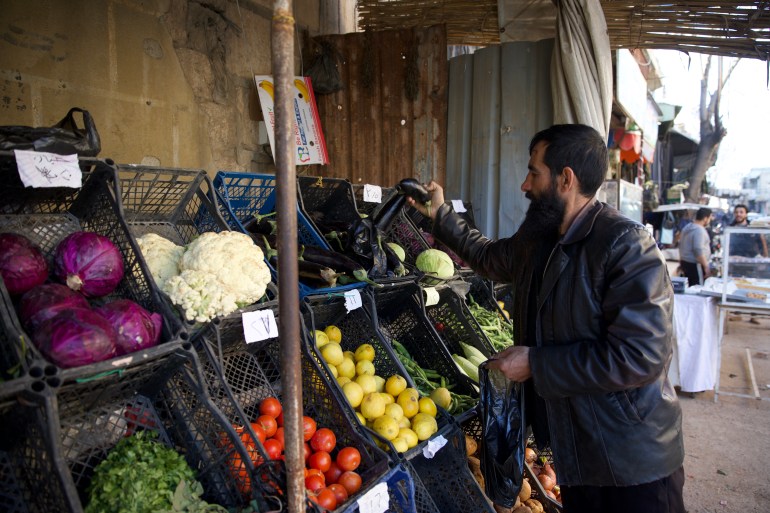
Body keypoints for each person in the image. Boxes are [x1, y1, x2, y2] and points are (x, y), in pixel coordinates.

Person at [408, 124, 684, 513]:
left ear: (565, 178)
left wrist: (535, 363)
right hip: (578, 453)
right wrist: (440, 214)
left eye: (534, 172)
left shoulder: (626, 245)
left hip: (631, 459)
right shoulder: (540, 237)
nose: (525, 184)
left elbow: (640, 356)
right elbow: (489, 257)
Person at [728, 204, 767, 325]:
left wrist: (764, 260)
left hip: (751, 263)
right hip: (735, 263)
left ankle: (753, 314)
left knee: (753, 288)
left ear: (745, 214)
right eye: (737, 212)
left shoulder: (753, 228)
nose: (739, 214)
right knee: (738, 287)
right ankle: (737, 313)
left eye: (741, 212)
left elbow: (762, 244)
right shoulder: (731, 228)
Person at [677, 207, 713, 286]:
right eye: (710, 218)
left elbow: (681, 244)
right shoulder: (699, 230)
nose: (710, 220)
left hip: (685, 262)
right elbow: (698, 250)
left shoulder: (687, 227)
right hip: (695, 265)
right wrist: (706, 266)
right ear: (705, 218)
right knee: (697, 288)